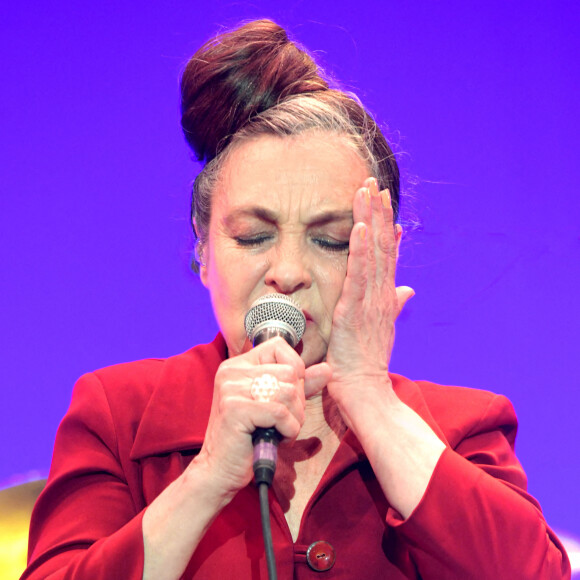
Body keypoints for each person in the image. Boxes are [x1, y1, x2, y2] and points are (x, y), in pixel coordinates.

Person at [22, 19, 571, 580]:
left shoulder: (461, 429)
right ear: (203, 249)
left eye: (329, 240)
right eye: (253, 237)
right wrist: (207, 477)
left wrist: (370, 401)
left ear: (382, 255)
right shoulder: (118, 417)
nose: (286, 273)